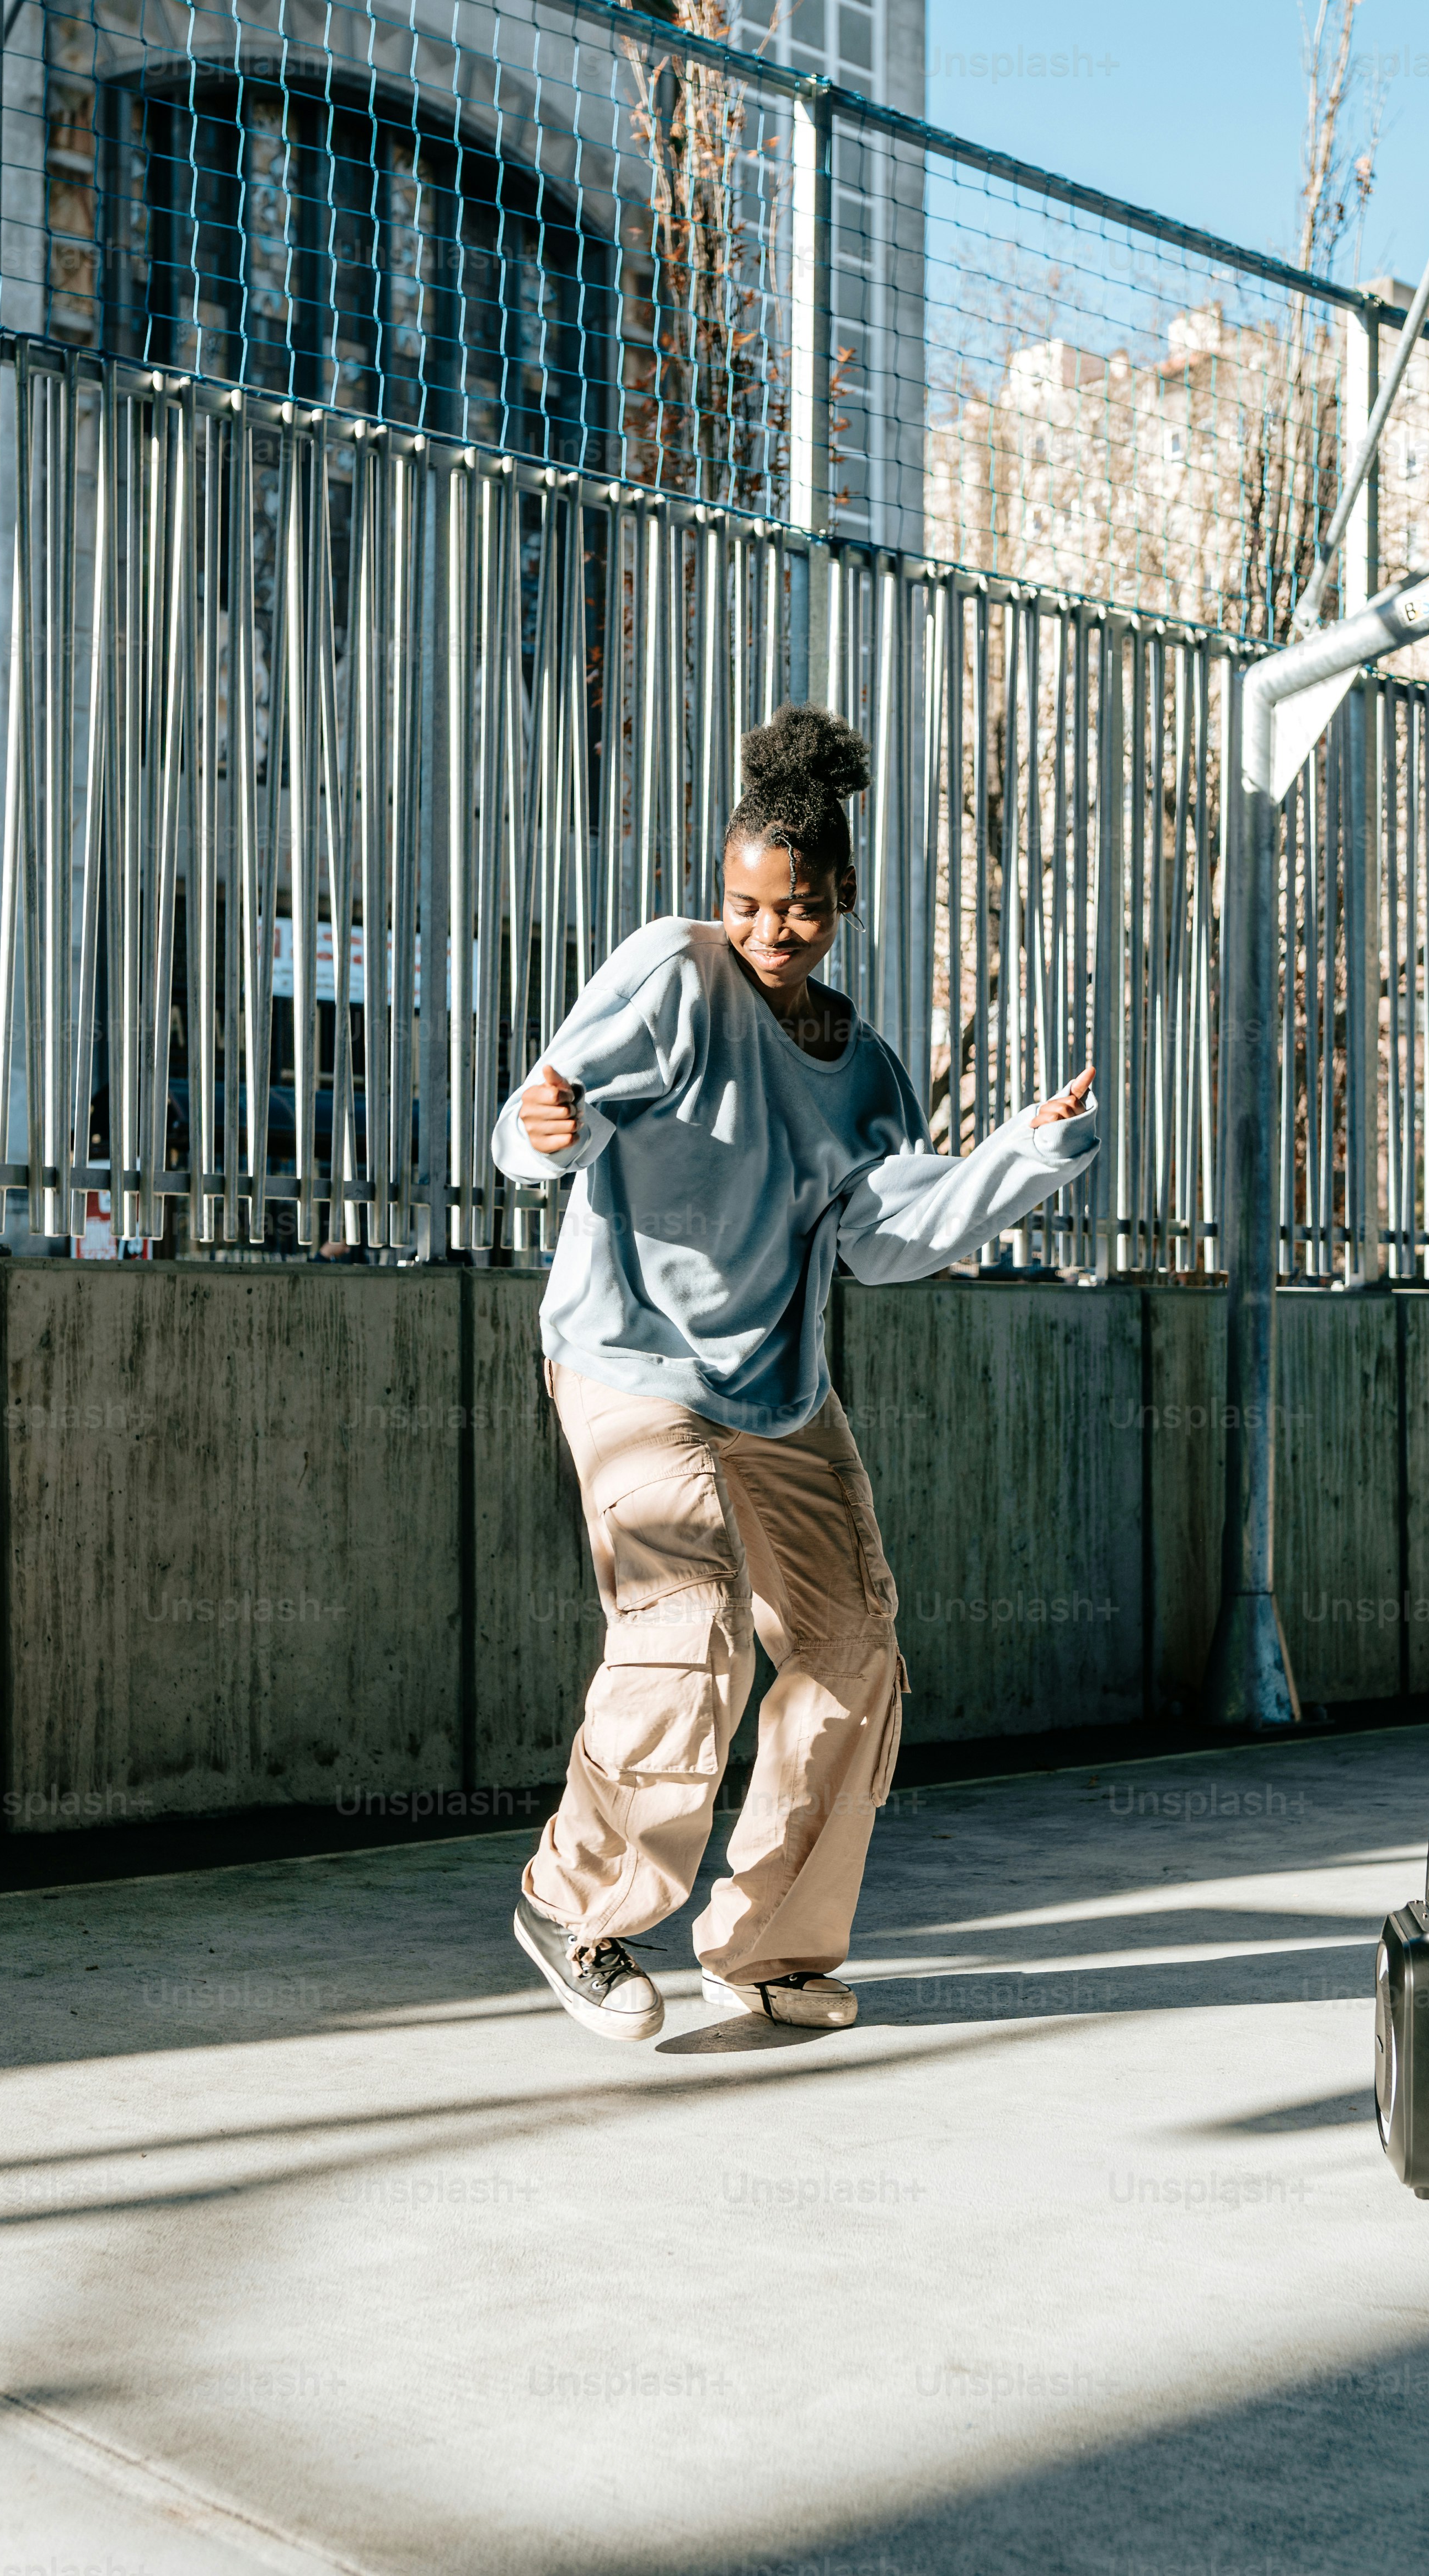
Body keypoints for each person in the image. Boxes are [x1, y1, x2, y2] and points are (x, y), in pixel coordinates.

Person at [494, 706, 1099, 2042]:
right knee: (689, 1621)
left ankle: (767, 1943)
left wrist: (1021, 1155)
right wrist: (545, 1130)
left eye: (802, 911)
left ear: (840, 905)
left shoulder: (869, 1070)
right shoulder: (671, 972)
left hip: (777, 1389)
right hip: (630, 1360)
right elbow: (543, 1115)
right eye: (748, 904)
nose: (770, 933)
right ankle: (577, 1903)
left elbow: (887, 1240)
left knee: (850, 1649)